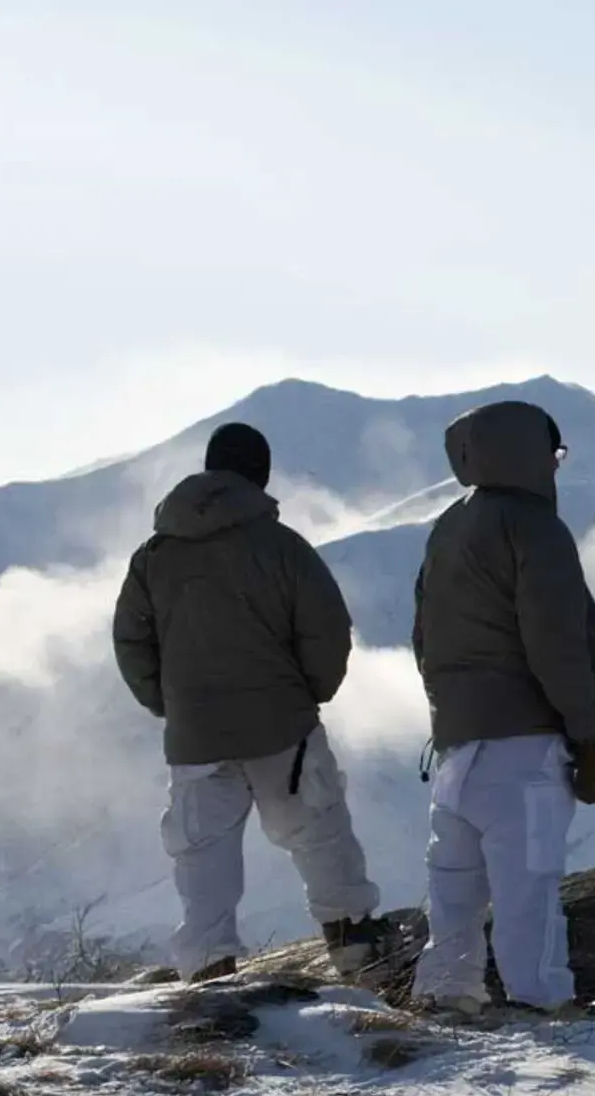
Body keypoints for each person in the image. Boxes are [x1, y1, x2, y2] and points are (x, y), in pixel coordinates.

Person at [112, 422, 396, 985]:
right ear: (260, 476)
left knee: (203, 858)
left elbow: (131, 641)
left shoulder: (155, 555)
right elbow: (326, 630)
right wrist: (307, 694)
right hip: (279, 725)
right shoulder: (282, 546)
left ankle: (210, 968)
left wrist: (169, 703)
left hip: (196, 734)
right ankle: (353, 940)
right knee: (318, 830)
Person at [406, 400, 595, 1014]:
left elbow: (423, 638)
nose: (557, 469)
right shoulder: (534, 528)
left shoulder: (448, 528)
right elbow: (555, 642)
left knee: (454, 892)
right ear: (535, 454)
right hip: (525, 745)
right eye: (555, 456)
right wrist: (589, 736)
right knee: (528, 888)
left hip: (455, 747)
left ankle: (447, 998)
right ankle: (542, 1004)